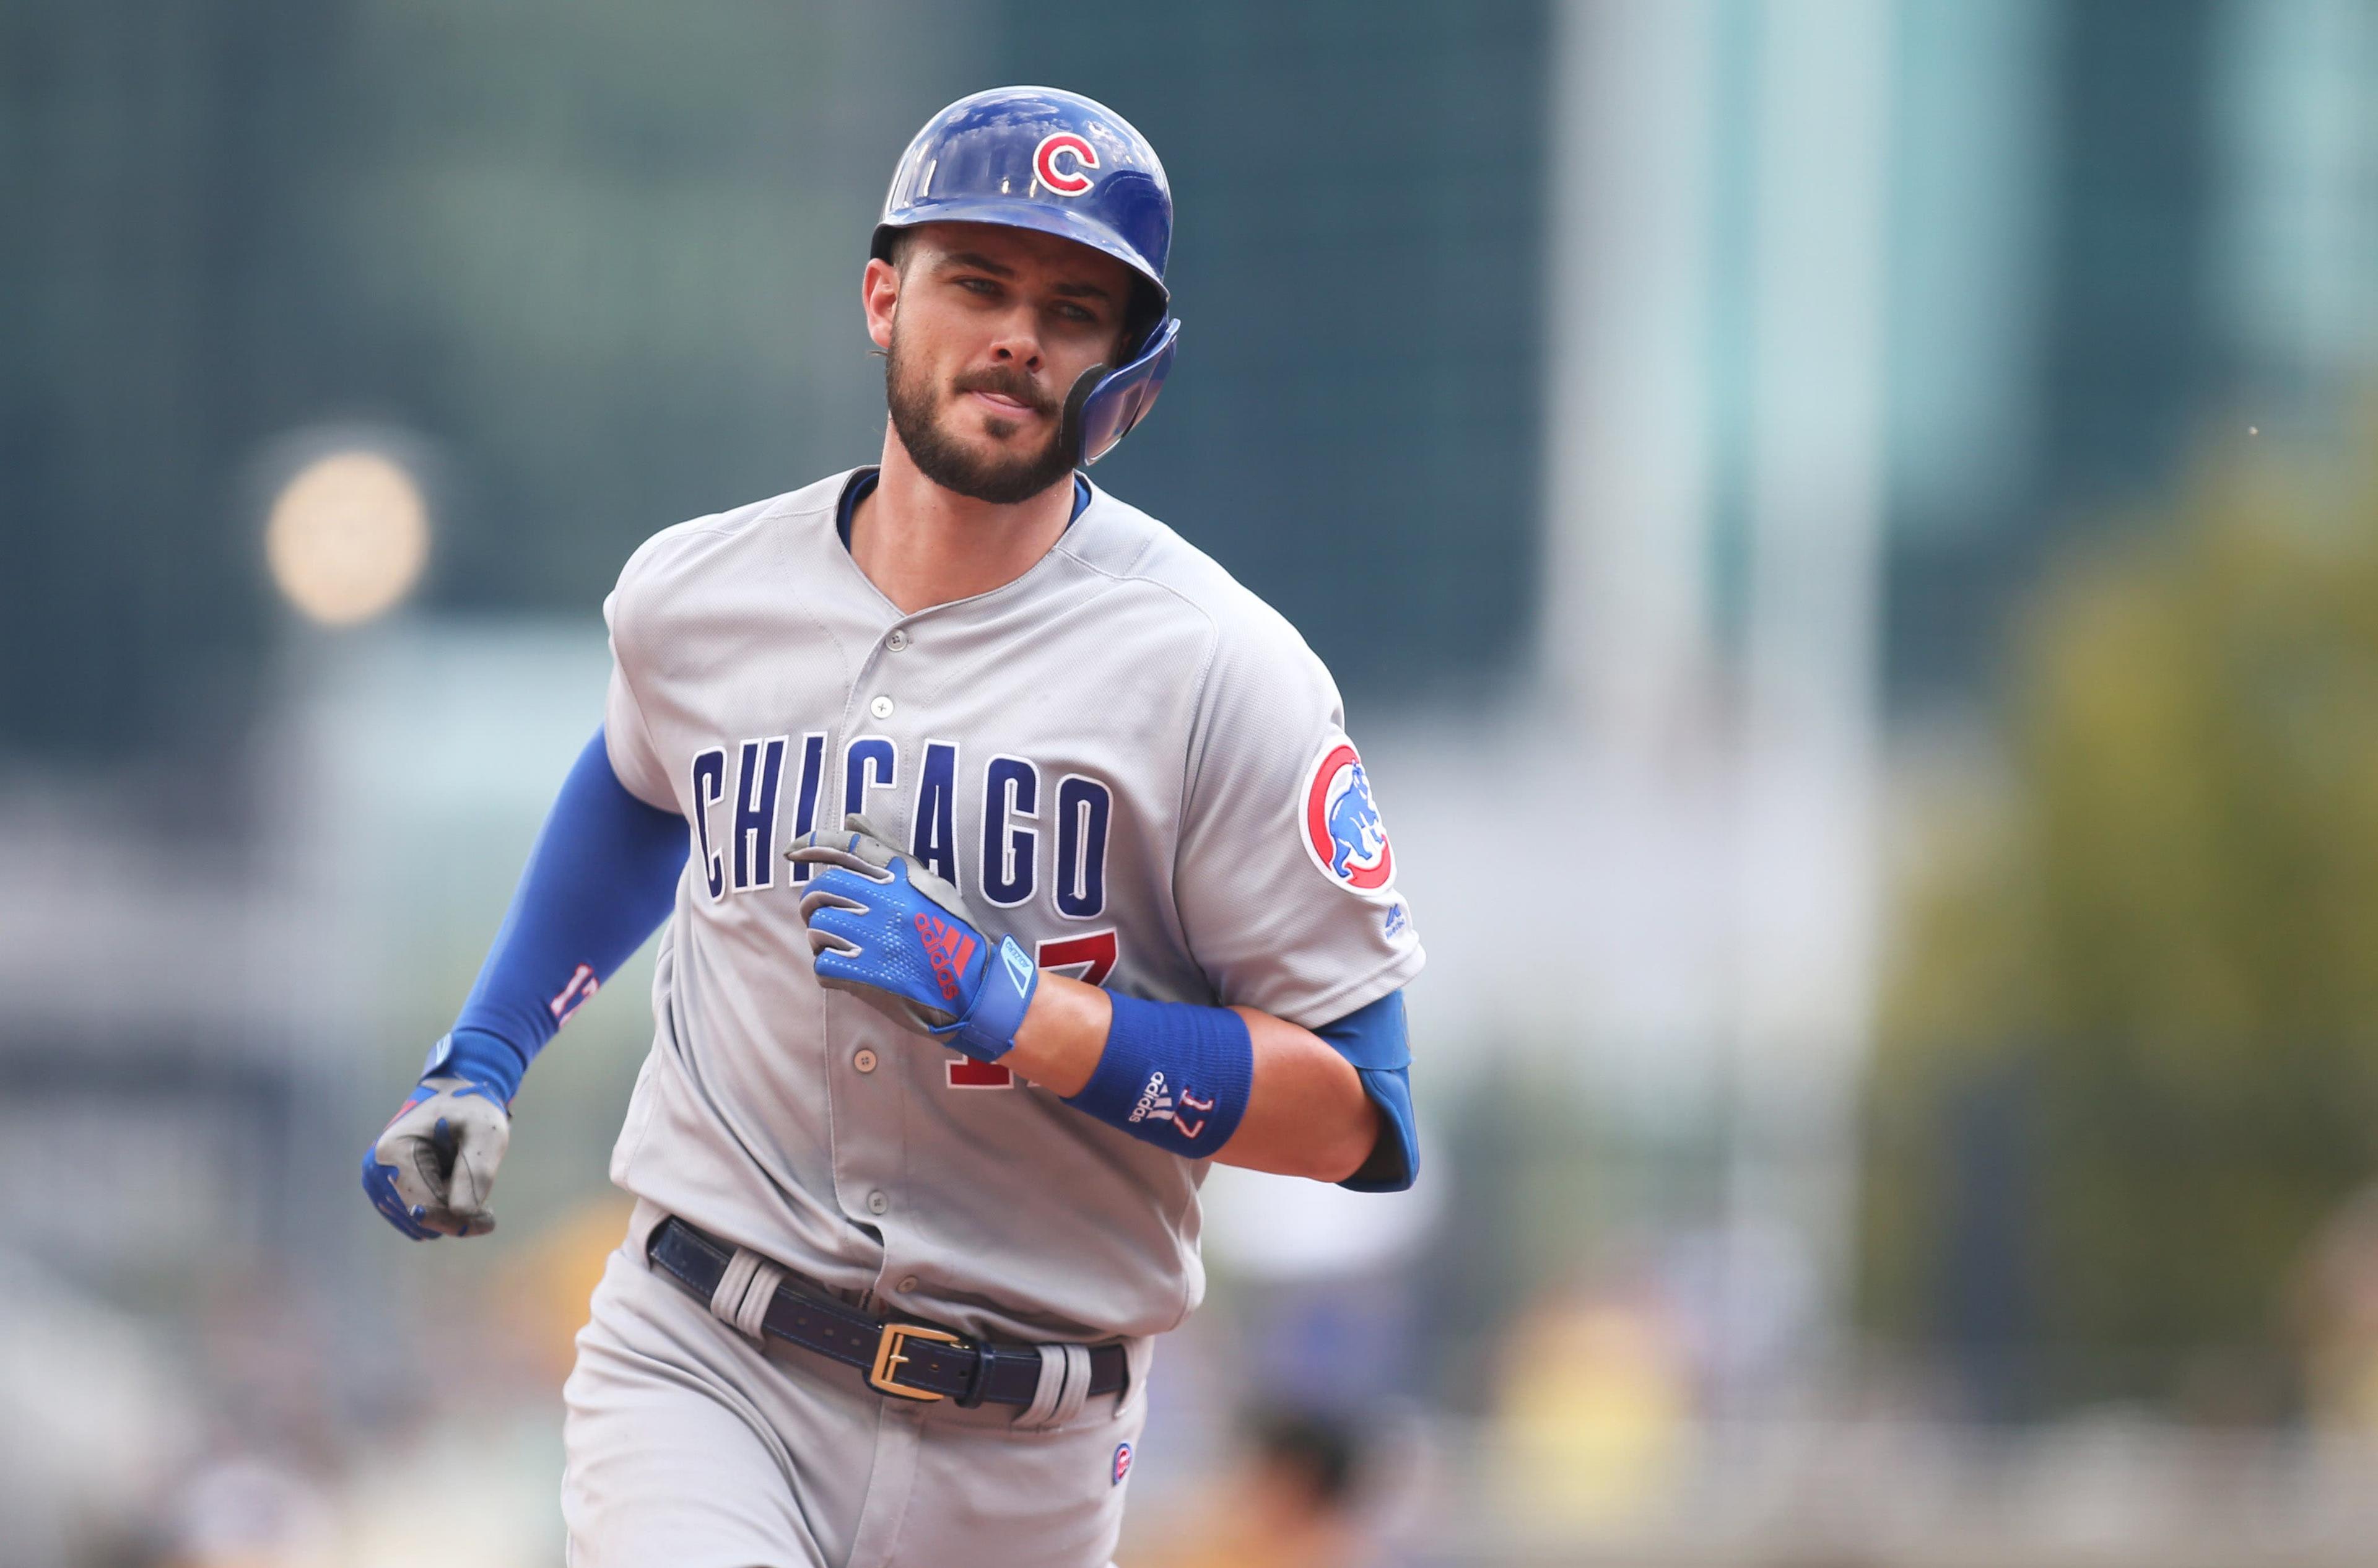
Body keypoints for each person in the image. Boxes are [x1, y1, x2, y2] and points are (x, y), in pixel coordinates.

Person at [361, 85, 1423, 1568]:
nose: (1017, 334)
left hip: (1032, 1444)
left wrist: (1022, 1010)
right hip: (705, 1360)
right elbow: (634, 786)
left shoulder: (1220, 672)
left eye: (1074, 307)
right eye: (976, 283)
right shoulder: (698, 596)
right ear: (883, 298)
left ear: (1135, 371)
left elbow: (1362, 1112)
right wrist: (481, 1056)